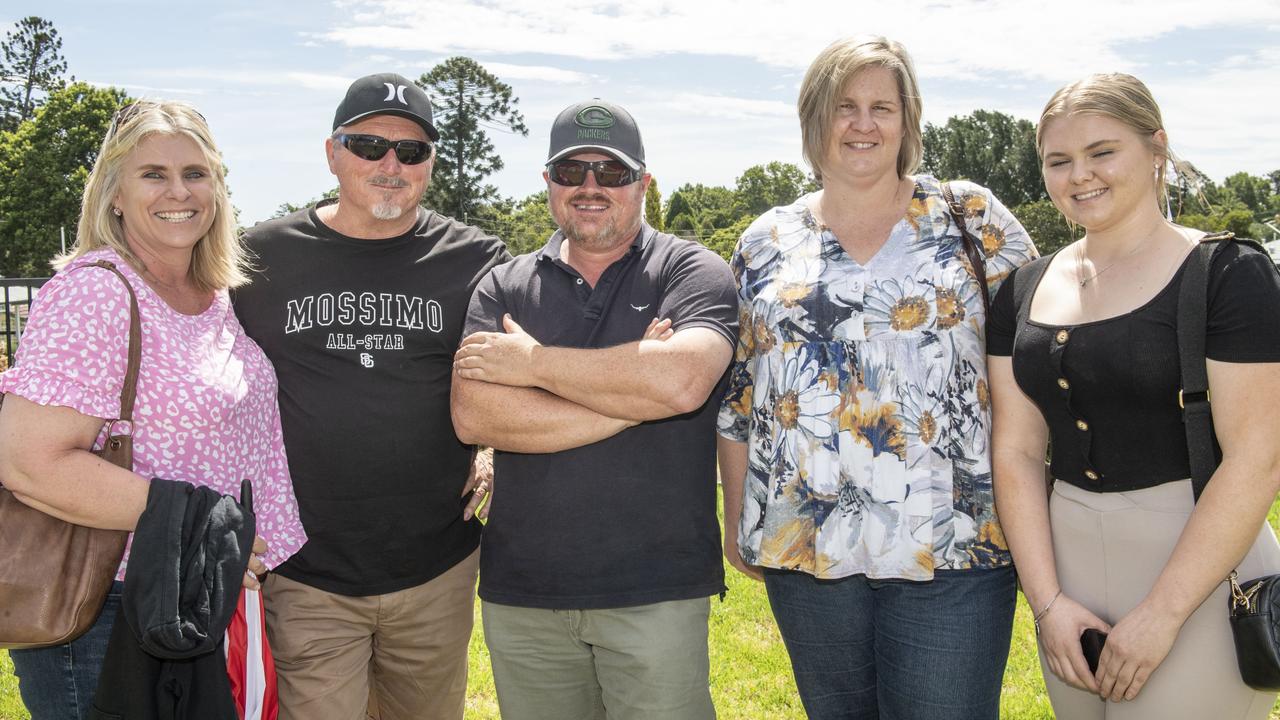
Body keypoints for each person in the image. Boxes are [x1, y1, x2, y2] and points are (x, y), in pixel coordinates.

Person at [715, 36, 1038, 720]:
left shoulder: (971, 221)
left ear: (906, 121)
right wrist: (736, 519)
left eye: (881, 107)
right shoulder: (764, 242)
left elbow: (1039, 362)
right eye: (844, 107)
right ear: (814, 121)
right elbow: (741, 399)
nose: (864, 124)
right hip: (809, 550)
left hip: (955, 546)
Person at [988, 72, 1280, 719]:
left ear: (1156, 149)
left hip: (1199, 573)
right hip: (1067, 578)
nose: (1079, 175)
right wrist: (1048, 605)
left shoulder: (1230, 273)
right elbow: (1013, 450)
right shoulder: (1020, 292)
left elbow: (1258, 458)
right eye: (1057, 161)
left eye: (1101, 151)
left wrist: (1163, 613)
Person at [0, 99, 304, 720]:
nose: (178, 192)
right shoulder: (96, 291)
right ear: (113, 192)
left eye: (196, 174)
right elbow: (29, 461)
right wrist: (200, 522)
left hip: (194, 595)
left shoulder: (213, 294)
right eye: (153, 174)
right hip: (107, 605)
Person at [231, 73, 509, 720]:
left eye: (411, 152)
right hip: (306, 569)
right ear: (332, 153)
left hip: (436, 565)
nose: (390, 165)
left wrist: (491, 444)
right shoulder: (257, 260)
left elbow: (507, 371)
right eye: (368, 146)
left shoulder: (476, 258)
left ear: (431, 164)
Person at [450, 98, 737, 720]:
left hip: (655, 588)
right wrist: (636, 398)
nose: (590, 187)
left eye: (611, 173)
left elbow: (684, 382)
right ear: (548, 183)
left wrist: (531, 366)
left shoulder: (692, 270)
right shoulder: (502, 286)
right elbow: (476, 416)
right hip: (524, 594)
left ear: (643, 182)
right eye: (571, 171)